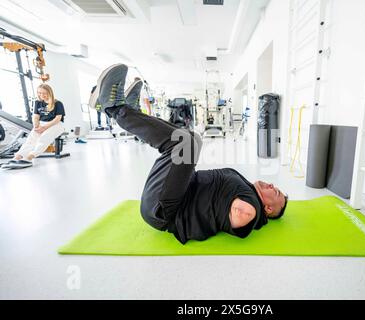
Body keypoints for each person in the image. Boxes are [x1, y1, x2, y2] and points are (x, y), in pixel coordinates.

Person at [90, 64, 288, 244]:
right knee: (192, 138)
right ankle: (130, 112)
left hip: (164, 210)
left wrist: (248, 211)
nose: (272, 185)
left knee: (189, 144)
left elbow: (245, 214)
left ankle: (115, 108)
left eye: (275, 191)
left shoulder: (253, 205)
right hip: (171, 195)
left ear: (268, 209)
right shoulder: (247, 187)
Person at [4, 84, 65, 169]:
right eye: (39, 93)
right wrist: (36, 126)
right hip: (41, 123)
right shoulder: (38, 102)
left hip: (56, 124)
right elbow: (35, 116)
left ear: (50, 93)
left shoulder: (57, 103)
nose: (41, 95)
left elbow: (58, 119)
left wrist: (44, 128)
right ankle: (17, 157)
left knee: (44, 137)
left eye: (44, 93)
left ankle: (29, 158)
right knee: (31, 139)